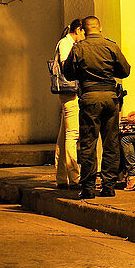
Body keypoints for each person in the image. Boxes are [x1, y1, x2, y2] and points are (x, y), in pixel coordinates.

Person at [63, 15, 130, 199]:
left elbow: (68, 73)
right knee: (111, 143)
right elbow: (125, 70)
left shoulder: (79, 48)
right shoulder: (111, 46)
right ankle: (109, 186)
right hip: (110, 97)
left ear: (84, 30)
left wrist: (82, 73)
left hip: (90, 97)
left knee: (88, 143)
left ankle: (88, 187)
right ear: (99, 28)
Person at [52, 19, 84, 189]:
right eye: (83, 32)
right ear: (78, 30)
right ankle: (75, 177)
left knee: (64, 135)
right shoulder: (66, 43)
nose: (85, 35)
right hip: (69, 93)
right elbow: (66, 66)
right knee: (72, 134)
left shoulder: (66, 42)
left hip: (69, 93)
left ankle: (61, 176)